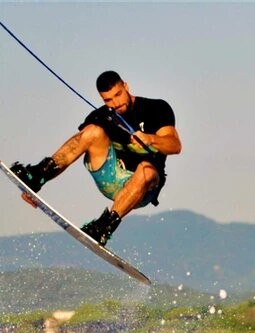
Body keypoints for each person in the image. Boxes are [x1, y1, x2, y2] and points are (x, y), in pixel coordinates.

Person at [10, 71, 182, 246]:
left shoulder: (156, 108)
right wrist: (30, 189)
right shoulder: (102, 116)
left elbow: (175, 145)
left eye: (118, 94)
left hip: (143, 188)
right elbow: (74, 150)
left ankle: (103, 228)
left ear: (126, 86)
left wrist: (150, 139)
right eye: (108, 100)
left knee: (147, 169)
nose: (116, 103)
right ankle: (39, 176)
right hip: (110, 176)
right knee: (92, 131)